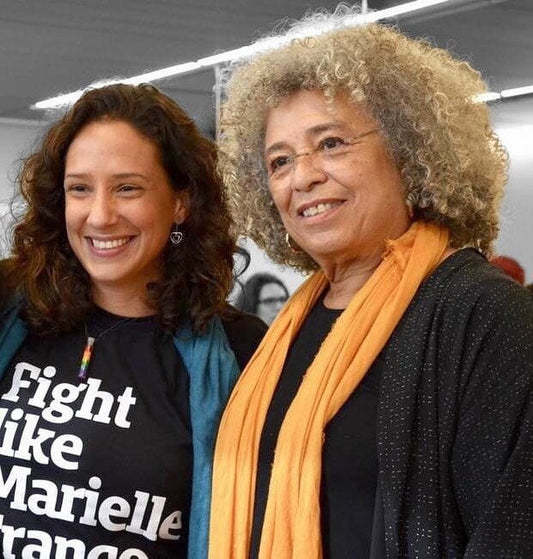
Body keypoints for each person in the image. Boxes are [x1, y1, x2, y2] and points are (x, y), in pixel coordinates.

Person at [208, 7, 533, 558]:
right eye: (279, 161)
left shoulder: (484, 315)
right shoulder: (289, 329)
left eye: (331, 143)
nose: (303, 176)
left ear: (409, 153)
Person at [0, 83, 266, 558]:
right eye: (80, 189)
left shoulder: (239, 352)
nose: (100, 216)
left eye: (127, 188)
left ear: (181, 202)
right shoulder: (13, 311)